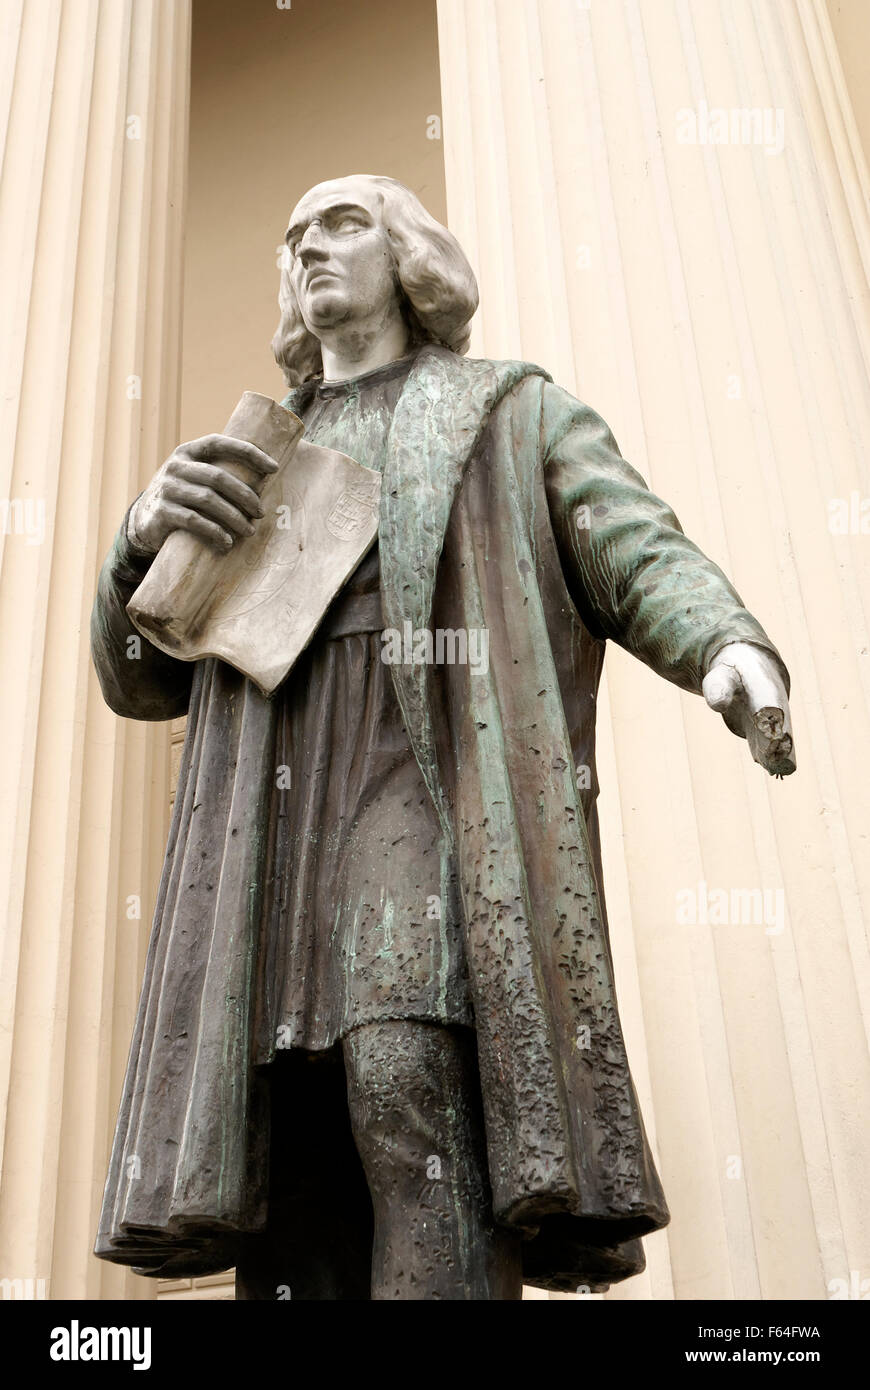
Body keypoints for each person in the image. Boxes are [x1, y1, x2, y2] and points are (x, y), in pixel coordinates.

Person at [92, 175, 793, 1300]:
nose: (309, 246)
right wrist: (137, 539)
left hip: (421, 766)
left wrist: (723, 644)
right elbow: (138, 681)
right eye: (292, 234)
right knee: (291, 1114)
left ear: (410, 257)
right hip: (273, 802)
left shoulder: (505, 410)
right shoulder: (257, 450)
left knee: (404, 1064)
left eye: (342, 222)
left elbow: (629, 541)